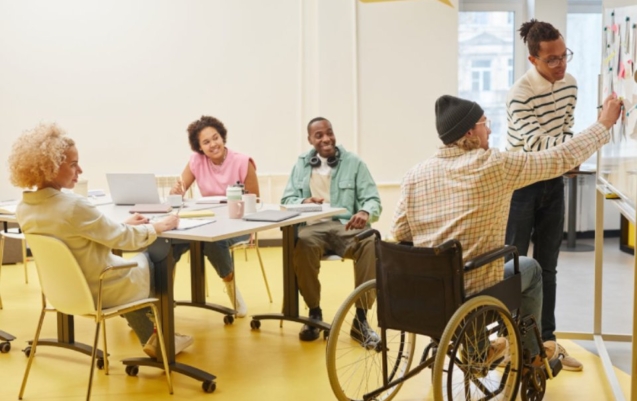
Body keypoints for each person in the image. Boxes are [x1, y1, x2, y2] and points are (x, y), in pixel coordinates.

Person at [391, 94, 622, 361]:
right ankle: (531, 354)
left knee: (463, 269)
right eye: (483, 122)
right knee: (531, 269)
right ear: (469, 131)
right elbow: (559, 157)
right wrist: (604, 123)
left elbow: (400, 233)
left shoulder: (414, 175)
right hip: (474, 290)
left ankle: (480, 350)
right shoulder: (494, 165)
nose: (488, 129)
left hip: (428, 293)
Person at [8, 123, 192, 358]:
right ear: (51, 167)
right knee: (162, 252)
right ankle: (164, 339)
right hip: (102, 291)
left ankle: (154, 337)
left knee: (127, 268)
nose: (81, 170)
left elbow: (84, 238)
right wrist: (157, 226)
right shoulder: (74, 206)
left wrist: (123, 226)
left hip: (64, 293)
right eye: (73, 164)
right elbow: (125, 240)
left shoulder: (25, 208)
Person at [505, 20, 581, 370]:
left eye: (564, 56)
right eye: (552, 59)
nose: (561, 65)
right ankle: (510, 342)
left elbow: (565, 128)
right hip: (522, 183)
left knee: (548, 268)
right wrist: (575, 151)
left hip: (554, 181)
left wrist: (570, 153)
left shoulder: (571, 85)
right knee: (515, 269)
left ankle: (546, 343)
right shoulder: (519, 93)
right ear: (533, 59)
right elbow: (536, 144)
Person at [281, 117, 382, 342]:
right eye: (319, 135)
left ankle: (361, 320)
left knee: (370, 243)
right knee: (302, 244)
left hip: (344, 225)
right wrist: (304, 201)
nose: (326, 138)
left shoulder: (354, 162)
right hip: (312, 227)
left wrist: (365, 212)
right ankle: (314, 314)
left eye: (329, 133)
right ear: (310, 140)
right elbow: (287, 198)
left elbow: (373, 199)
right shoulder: (301, 164)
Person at [170, 115, 258, 317]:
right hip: (208, 222)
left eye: (215, 138)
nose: (213, 144)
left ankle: (232, 291)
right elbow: (179, 191)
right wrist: (176, 192)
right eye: (206, 142)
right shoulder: (196, 161)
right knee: (169, 240)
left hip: (239, 224)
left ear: (222, 137)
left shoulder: (243, 162)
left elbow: (256, 201)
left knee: (213, 241)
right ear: (199, 147)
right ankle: (163, 298)